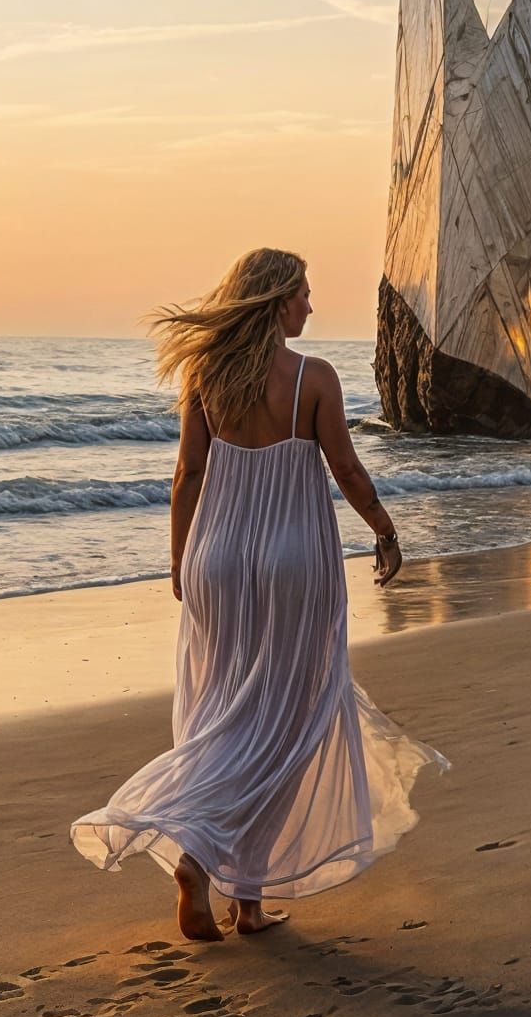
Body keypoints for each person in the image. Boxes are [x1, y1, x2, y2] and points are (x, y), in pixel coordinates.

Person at [71, 248, 447, 940]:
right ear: (277, 303)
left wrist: (181, 558)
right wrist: (387, 533)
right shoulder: (314, 378)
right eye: (303, 293)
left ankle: (245, 900)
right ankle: (200, 856)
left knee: (222, 713)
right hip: (292, 563)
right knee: (289, 725)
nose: (311, 305)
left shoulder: (204, 375)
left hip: (215, 561)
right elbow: (347, 469)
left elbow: (187, 474)